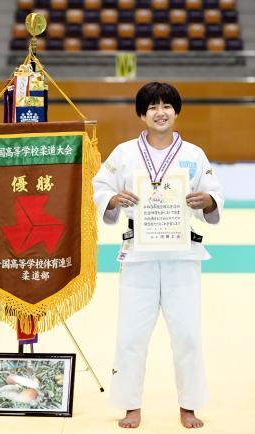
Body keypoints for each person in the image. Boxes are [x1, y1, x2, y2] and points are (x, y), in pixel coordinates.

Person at [93, 82, 223, 429]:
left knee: (187, 335)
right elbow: (99, 188)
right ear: (141, 114)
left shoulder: (194, 154)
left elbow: (213, 194)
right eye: (152, 107)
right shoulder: (123, 153)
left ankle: (189, 406)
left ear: (176, 111)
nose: (160, 112)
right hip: (138, 255)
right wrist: (113, 200)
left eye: (166, 106)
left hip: (183, 255)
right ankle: (130, 405)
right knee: (131, 335)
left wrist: (207, 202)